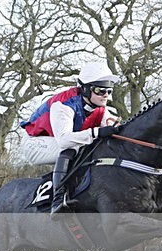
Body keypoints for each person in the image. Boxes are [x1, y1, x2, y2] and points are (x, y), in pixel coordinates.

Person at [19, 62, 122, 217]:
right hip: (35, 143)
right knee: (73, 146)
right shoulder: (63, 104)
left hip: (56, 142)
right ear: (86, 89)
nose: (106, 95)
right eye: (100, 90)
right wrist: (96, 132)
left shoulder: (100, 109)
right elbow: (64, 140)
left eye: (109, 90)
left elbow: (115, 128)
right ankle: (58, 200)